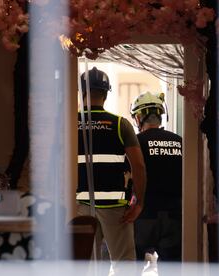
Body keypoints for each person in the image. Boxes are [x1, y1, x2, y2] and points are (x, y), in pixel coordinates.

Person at [76, 67, 146, 264]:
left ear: (82, 92)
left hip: (80, 205)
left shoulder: (69, 123)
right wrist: (139, 202)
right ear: (106, 94)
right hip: (114, 207)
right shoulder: (120, 124)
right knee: (124, 263)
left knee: (83, 264)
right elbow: (138, 166)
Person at [130, 91, 183, 262]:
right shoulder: (180, 141)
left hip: (145, 215)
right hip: (175, 215)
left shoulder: (136, 143)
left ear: (139, 118)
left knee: (134, 266)